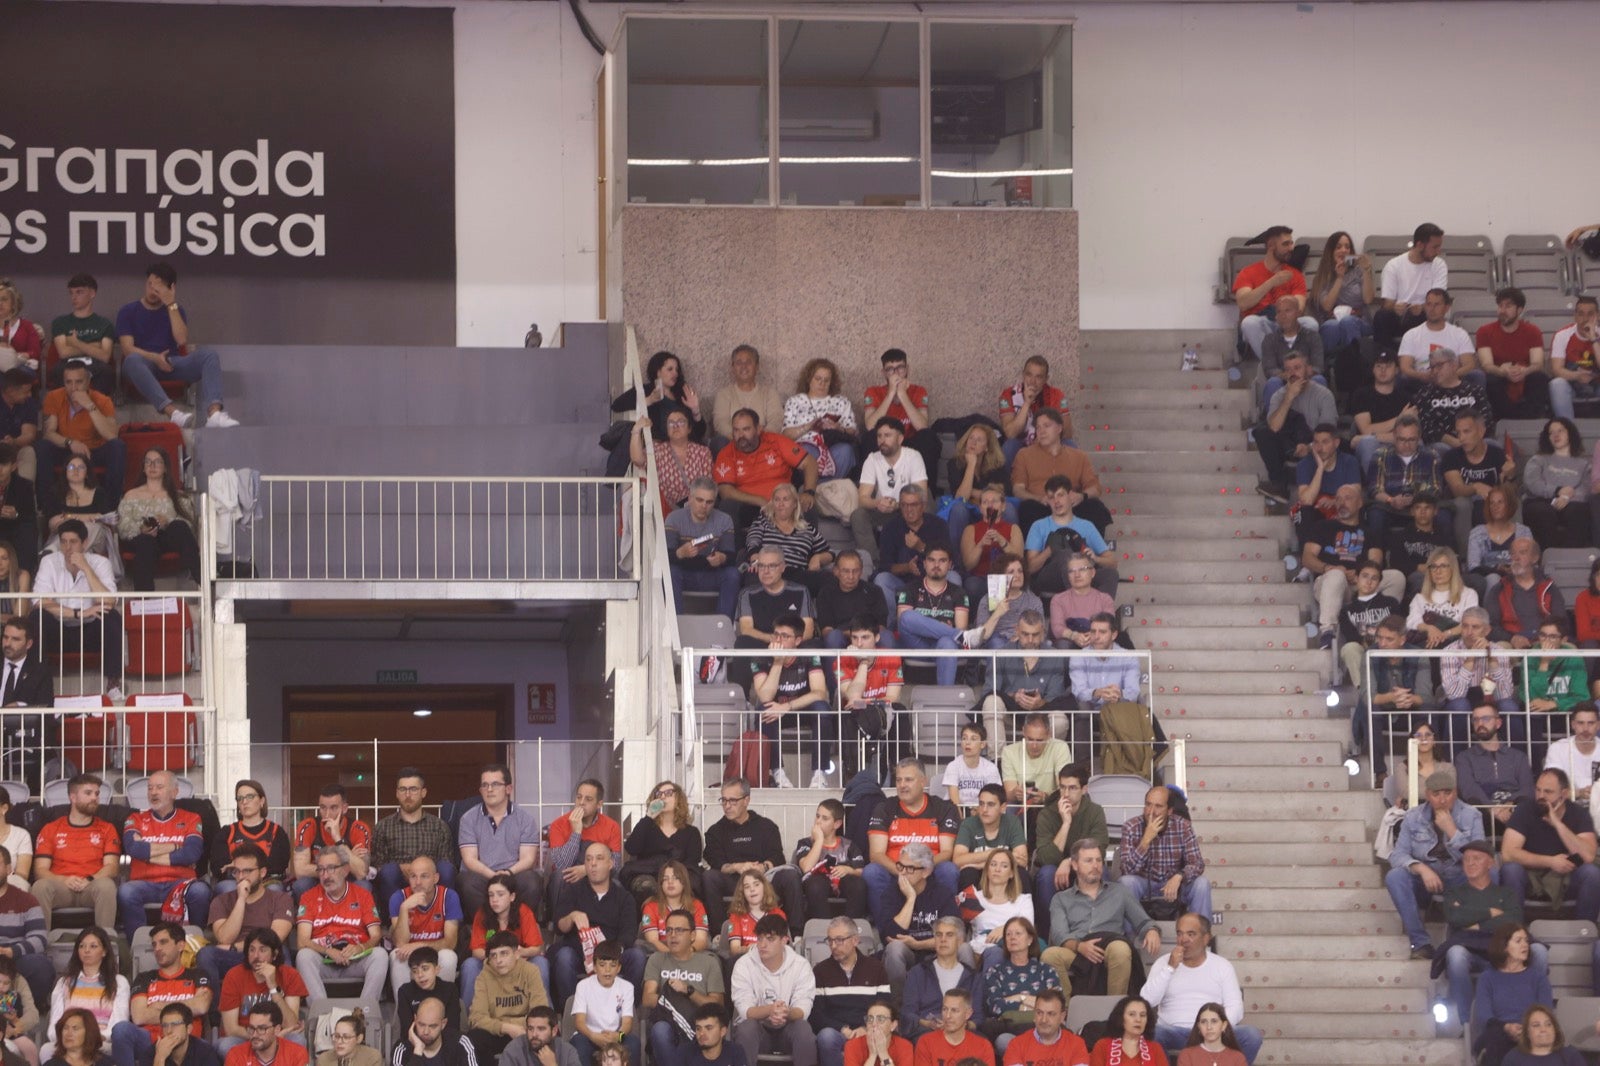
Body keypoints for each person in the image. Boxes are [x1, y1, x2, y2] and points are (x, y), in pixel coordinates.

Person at [115, 263, 236, 429]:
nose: (152, 290)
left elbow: (181, 340)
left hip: (171, 363)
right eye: (150, 284)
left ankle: (214, 413)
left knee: (209, 355)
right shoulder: (128, 311)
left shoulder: (176, 310)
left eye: (159, 287)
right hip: (143, 363)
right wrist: (155, 358)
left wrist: (171, 304)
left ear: (171, 288)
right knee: (132, 360)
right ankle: (173, 413)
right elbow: (127, 349)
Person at [1385, 768, 1485, 960]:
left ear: (1455, 793)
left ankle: (1467, 938)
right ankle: (1420, 943)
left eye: (1447, 793)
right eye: (1436, 794)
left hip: (1458, 876)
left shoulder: (1471, 815)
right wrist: (1421, 868)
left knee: (1491, 874)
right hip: (1427, 877)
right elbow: (1397, 855)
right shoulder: (1414, 817)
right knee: (1395, 876)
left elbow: (1480, 859)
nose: (1442, 799)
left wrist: (1453, 831)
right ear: (1428, 795)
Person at [1438, 840, 1539, 1028]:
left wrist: (1474, 923)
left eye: (1476, 859)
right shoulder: (1454, 893)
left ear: (1490, 863)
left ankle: (1534, 1019)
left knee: (1539, 951)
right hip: (1472, 951)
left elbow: (1513, 920)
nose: (1470, 863)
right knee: (1455, 954)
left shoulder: (1506, 893)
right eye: (1466, 859)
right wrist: (1490, 912)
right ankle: (1467, 1023)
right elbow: (1454, 917)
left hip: (1504, 950)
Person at [1040, 840, 1159, 995]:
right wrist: (1080, 947)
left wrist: (1151, 930)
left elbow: (1143, 921)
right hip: (1077, 951)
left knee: (1121, 949)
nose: (1095, 865)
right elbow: (1059, 935)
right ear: (1075, 865)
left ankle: (1114, 1010)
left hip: (1109, 948)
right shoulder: (1061, 899)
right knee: (1049, 955)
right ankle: (1067, 1013)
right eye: (1088, 861)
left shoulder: (1119, 892)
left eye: (1098, 860)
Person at [1141, 915, 1261, 1064]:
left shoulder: (1222, 965)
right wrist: (1170, 968)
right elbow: (1145, 1001)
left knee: (1251, 1035)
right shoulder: (1163, 963)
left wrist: (1215, 1027)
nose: (1183, 939)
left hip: (1212, 1029)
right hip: (1174, 1031)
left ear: (1206, 938)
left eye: (1191, 934)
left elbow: (1235, 1006)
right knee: (1152, 1034)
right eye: (1180, 933)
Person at [865, 760, 960, 933]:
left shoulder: (943, 808)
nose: (902, 785)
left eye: (908, 780)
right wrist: (904, 871)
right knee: (872, 871)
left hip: (929, 872)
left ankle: (946, 931)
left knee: (949, 869)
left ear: (923, 782)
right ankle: (887, 933)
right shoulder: (884, 808)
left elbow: (947, 852)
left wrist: (919, 870)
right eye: (899, 780)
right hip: (895, 871)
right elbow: (876, 854)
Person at [703, 778, 804, 937]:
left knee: (790, 876)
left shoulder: (766, 826)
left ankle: (797, 935)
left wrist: (762, 867)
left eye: (733, 801)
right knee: (709, 877)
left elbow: (777, 857)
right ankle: (719, 934)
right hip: (734, 880)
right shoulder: (715, 831)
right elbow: (716, 862)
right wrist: (737, 867)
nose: (727, 806)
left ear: (746, 800)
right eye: (724, 800)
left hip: (763, 879)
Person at [117, 771, 210, 939]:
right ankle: (139, 946)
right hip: (143, 883)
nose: (153, 792)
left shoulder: (191, 818)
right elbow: (133, 849)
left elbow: (191, 854)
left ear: (174, 792)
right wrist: (175, 846)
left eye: (159, 787)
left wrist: (148, 854)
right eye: (150, 788)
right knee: (125, 892)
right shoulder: (135, 819)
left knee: (201, 891)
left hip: (181, 883)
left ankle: (194, 944)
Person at [31, 520, 122, 694]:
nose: (67, 547)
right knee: (37, 618)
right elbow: (40, 601)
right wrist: (78, 613)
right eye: (63, 541)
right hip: (59, 630)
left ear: (85, 543)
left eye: (73, 542)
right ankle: (37, 686)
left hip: (89, 632)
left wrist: (86, 568)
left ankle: (113, 684)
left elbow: (109, 601)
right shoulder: (49, 561)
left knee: (111, 616)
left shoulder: (100, 562)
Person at [552, 841, 646, 1008]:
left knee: (637, 957)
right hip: (579, 951)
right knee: (564, 957)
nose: (593, 864)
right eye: (588, 859)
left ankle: (628, 1012)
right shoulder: (573, 891)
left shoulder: (624, 897)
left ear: (610, 864)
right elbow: (560, 927)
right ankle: (572, 1013)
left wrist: (607, 956)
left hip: (613, 951)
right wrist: (572, 916)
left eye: (599, 859)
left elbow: (628, 934)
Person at [1301, 483, 1395, 648]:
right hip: (1330, 583)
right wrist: (1328, 568)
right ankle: (1327, 631)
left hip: (1362, 582)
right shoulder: (1323, 527)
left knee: (1397, 577)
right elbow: (1307, 558)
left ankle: (1387, 626)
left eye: (1347, 498)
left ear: (1360, 503)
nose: (1341, 503)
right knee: (1336, 576)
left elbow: (1376, 560)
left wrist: (1359, 574)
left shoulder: (1370, 532)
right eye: (1337, 499)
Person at [1499, 768, 1600, 922]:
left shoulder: (1578, 814)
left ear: (1564, 794)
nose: (1541, 796)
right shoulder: (1525, 810)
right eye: (1538, 790)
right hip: (1531, 878)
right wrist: (1551, 861)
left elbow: (1588, 855)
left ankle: (1585, 932)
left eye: (1548, 792)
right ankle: (1513, 934)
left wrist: (1558, 824)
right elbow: (1508, 853)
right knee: (1510, 869)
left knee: (1591, 873)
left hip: (1567, 879)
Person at [292, 846, 388, 1004]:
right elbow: (302, 942)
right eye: (321, 870)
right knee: (303, 956)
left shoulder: (362, 895)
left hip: (356, 960)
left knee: (380, 955)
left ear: (345, 870)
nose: (325, 876)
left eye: (331, 869)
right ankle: (321, 1015)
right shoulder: (308, 897)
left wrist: (360, 948)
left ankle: (364, 1013)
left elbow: (376, 935)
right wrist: (328, 951)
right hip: (324, 961)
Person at [110, 922, 213, 1066]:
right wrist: (185, 1010)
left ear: (180, 945)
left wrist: (159, 1007)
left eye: (163, 942)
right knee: (121, 1030)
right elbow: (139, 1016)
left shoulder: (197, 975)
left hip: (186, 1041)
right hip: (148, 1042)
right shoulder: (144, 978)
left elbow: (201, 1006)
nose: (157, 948)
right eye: (154, 944)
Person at [750, 617, 831, 789]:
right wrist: (778, 663)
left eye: (785, 636)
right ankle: (777, 773)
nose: (778, 640)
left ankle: (819, 773)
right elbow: (765, 696)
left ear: (798, 640)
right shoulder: (761, 657)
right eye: (776, 635)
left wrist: (787, 706)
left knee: (822, 709)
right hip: (775, 712)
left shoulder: (809, 656)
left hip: (800, 709)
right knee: (763, 710)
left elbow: (819, 692)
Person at [454, 763, 541, 921]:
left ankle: (519, 928)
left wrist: (507, 874)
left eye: (495, 784)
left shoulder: (525, 819)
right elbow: (469, 859)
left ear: (509, 789)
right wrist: (493, 876)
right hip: (482, 875)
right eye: (485, 785)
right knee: (466, 882)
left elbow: (528, 859)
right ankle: (488, 931)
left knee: (531, 881)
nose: (489, 789)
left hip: (513, 874)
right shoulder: (468, 819)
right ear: (480, 790)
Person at [35, 363, 123, 520]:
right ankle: (48, 508)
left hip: (93, 451)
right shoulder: (54, 397)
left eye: (79, 382)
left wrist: (89, 405)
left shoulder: (103, 401)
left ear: (88, 382)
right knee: (43, 447)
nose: (73, 387)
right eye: (68, 382)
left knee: (117, 447)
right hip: (66, 450)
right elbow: (49, 433)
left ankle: (110, 508)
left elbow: (111, 435)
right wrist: (70, 443)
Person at [32, 774, 119, 931]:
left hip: (92, 886)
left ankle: (106, 943)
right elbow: (40, 870)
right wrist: (64, 880)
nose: (94, 798)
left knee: (107, 885)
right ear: (73, 797)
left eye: (97, 793)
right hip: (61, 887)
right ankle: (39, 944)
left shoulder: (107, 828)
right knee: (40, 886)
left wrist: (90, 879)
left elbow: (112, 867)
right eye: (88, 793)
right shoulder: (51, 828)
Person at [641, 908, 725, 1066]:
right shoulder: (656, 959)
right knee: (660, 1029)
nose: (672, 935)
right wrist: (677, 1002)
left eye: (679, 930)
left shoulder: (709, 962)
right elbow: (647, 998)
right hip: (668, 1025)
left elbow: (716, 1005)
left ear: (692, 935)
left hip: (700, 1025)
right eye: (669, 930)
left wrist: (688, 991)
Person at [372, 770, 457, 924]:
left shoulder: (439, 826)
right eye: (403, 789)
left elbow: (446, 862)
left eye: (413, 789)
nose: (408, 794)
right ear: (397, 793)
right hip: (397, 881)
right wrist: (401, 867)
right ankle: (395, 925)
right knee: (388, 871)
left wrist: (421, 871)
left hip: (430, 880)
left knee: (446, 869)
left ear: (423, 792)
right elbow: (378, 865)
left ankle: (445, 921)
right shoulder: (383, 827)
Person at [730, 915, 816, 1066]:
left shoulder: (801, 965)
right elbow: (745, 1011)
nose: (762, 944)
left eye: (770, 939)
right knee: (746, 1027)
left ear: (784, 940)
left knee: (803, 1028)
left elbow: (803, 1009)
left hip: (788, 1030)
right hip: (758, 1031)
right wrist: (771, 1010)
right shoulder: (743, 965)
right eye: (760, 938)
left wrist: (786, 1013)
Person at [1252, 351, 1337, 500]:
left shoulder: (1324, 395)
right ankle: (1279, 485)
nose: (1293, 373)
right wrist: (1289, 397)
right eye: (1288, 369)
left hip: (1315, 443)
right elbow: (1274, 427)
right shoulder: (1279, 395)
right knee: (1261, 431)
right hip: (1287, 445)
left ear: (1309, 370)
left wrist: (1309, 447)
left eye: (1297, 368)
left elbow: (1329, 433)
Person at [716, 409, 818, 532]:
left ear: (759, 429)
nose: (740, 435)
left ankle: (811, 549)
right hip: (751, 507)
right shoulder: (726, 453)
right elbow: (726, 492)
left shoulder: (775, 441)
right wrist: (760, 501)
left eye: (746, 429)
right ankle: (736, 551)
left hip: (783, 502)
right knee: (727, 506)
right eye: (736, 430)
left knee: (808, 505)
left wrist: (809, 492)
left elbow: (810, 463)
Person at [1031, 765, 1109, 928]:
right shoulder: (1047, 814)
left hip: (1082, 865)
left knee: (1102, 870)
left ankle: (1101, 928)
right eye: (1063, 787)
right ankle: (1048, 934)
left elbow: (1099, 848)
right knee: (1046, 874)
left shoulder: (1095, 811)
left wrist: (1069, 861)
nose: (1066, 794)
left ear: (1084, 789)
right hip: (1054, 870)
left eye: (1072, 788)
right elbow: (1046, 858)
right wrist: (1066, 823)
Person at [1009, 412, 1111, 535]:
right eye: (1038, 427)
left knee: (1095, 506)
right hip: (1042, 506)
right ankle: (1033, 553)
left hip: (1071, 507)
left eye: (1046, 425)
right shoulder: (1024, 455)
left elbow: (1095, 488)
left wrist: (1081, 496)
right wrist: (1039, 498)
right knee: (1027, 508)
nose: (1041, 431)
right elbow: (1018, 489)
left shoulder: (1079, 456)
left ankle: (1093, 552)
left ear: (1059, 428)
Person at [1118, 787, 1210, 922]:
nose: (1151, 812)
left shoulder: (1183, 826)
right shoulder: (1131, 827)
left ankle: (1199, 936)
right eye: (1148, 805)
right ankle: (1129, 938)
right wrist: (1145, 841)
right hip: (1145, 884)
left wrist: (1180, 876)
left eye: (1158, 806)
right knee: (1126, 883)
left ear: (1169, 811)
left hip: (1175, 885)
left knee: (1202, 884)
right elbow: (1126, 870)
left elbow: (1197, 863)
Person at [980, 612, 1070, 750]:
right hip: (1010, 713)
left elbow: (1055, 697)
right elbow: (988, 692)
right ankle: (998, 761)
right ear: (1017, 631)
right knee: (991, 702)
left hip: (1042, 713)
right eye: (1025, 634)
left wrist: (1040, 703)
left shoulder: (1055, 655)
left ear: (1043, 633)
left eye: (1035, 635)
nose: (1030, 640)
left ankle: (1044, 763)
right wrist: (1014, 697)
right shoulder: (1000, 654)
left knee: (1060, 720)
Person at [213, 930, 306, 1057]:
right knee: (226, 1046)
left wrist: (273, 987)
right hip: (245, 1037)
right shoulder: (233, 976)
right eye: (252, 950)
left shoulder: (290, 975)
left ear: (275, 954)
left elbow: (290, 1024)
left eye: (262, 950)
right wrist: (265, 1036)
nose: (256, 956)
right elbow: (231, 1029)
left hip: (279, 1036)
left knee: (297, 1041)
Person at [117, 449, 200, 590]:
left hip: (167, 538)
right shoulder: (131, 495)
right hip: (141, 539)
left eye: (157, 462)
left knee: (179, 526)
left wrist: (167, 521)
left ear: (165, 468)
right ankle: (144, 600)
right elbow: (122, 526)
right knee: (145, 541)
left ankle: (202, 580)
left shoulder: (178, 496)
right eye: (148, 462)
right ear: (143, 467)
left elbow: (189, 525)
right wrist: (141, 528)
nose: (152, 465)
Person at [811, 918, 890, 1066]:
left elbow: (885, 1007)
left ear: (855, 940)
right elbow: (816, 1015)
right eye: (830, 940)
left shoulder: (876, 968)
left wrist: (866, 1027)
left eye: (839, 940)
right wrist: (842, 1029)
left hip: (869, 1030)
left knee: (884, 1035)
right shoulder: (821, 971)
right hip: (837, 1032)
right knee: (826, 1037)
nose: (833, 946)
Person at [1472, 924, 1554, 1066]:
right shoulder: (1487, 978)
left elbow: (1546, 1012)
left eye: (1526, 941)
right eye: (1518, 941)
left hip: (1531, 1032)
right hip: (1498, 1032)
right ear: (1504, 947)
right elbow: (1484, 1016)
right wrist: (1507, 1027)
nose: (1525, 945)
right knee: (1496, 1038)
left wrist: (1528, 1029)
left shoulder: (1538, 978)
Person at [835, 619, 907, 781]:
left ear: (876, 638)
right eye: (855, 638)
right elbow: (852, 698)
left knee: (900, 709)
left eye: (865, 637)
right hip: (855, 714)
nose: (859, 643)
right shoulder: (841, 660)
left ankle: (900, 768)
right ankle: (852, 772)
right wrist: (863, 663)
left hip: (880, 710)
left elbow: (893, 697)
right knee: (852, 713)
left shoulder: (891, 657)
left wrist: (865, 702)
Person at [1231, 226, 1315, 361]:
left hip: (1287, 324)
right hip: (1261, 324)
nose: (1291, 248)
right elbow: (1243, 303)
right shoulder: (1248, 272)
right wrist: (1271, 282)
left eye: (1291, 243)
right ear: (1271, 246)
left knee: (1310, 323)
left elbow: (1299, 308)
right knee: (1249, 323)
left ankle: (1282, 367)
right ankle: (1280, 366)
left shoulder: (1295, 275)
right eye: (1285, 244)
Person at [1023, 478, 1116, 599]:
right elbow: (1030, 568)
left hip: (1082, 574)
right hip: (1050, 576)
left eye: (1060, 495)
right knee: (1066, 555)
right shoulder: (1038, 526)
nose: (1056, 501)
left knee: (1110, 574)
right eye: (1051, 497)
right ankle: (1080, 607)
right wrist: (1049, 551)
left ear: (1070, 496)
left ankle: (1102, 616)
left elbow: (1113, 562)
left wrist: (1096, 558)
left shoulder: (1086, 526)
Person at [861, 349, 939, 494]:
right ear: (883, 373)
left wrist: (902, 394)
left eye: (900, 368)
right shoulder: (873, 391)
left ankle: (927, 494)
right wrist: (891, 393)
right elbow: (870, 425)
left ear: (907, 369)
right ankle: (871, 492)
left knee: (928, 437)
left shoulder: (919, 390)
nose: (896, 373)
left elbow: (922, 426)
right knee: (868, 438)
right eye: (890, 369)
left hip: (910, 442)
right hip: (885, 443)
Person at [879, 844, 957, 987]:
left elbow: (955, 937)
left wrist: (918, 944)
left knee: (963, 950)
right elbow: (891, 937)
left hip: (937, 953)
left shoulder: (942, 894)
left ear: (926, 872)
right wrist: (911, 899)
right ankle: (898, 1004)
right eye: (900, 866)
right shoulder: (890, 893)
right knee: (894, 948)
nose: (902, 873)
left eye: (910, 869)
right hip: (906, 953)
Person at [465, 931, 549, 1063]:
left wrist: (520, 1027)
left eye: (504, 953)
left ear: (516, 954)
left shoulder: (530, 971)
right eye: (493, 955)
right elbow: (476, 1018)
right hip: (497, 1032)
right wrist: (507, 1028)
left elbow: (540, 1012)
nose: (498, 960)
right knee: (473, 1039)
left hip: (526, 1029)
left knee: (548, 1033)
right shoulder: (484, 977)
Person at [43, 930, 128, 1058]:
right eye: (82, 946)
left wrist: (90, 1038)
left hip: (101, 1042)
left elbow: (119, 1021)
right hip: (69, 1040)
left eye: (93, 946)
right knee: (46, 1050)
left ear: (104, 951)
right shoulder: (64, 982)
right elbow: (55, 1022)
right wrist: (70, 1038)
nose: (86, 950)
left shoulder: (119, 982)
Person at [893, 544, 969, 687]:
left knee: (947, 642)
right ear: (924, 563)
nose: (936, 565)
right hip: (916, 644)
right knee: (907, 617)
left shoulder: (959, 592)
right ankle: (954, 634)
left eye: (942, 560)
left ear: (950, 565)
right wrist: (943, 629)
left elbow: (962, 626)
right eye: (931, 560)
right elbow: (903, 622)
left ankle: (944, 700)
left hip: (944, 645)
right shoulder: (910, 589)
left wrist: (929, 628)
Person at [667, 478, 743, 621]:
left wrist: (722, 558)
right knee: (671, 572)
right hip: (684, 574)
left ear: (715, 502)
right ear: (690, 498)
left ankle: (722, 626)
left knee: (733, 574)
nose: (704, 506)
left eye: (709, 502)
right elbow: (664, 556)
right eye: (699, 500)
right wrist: (680, 553)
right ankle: (675, 625)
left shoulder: (724, 520)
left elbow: (731, 556)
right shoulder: (674, 518)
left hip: (711, 574)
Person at [852, 419, 930, 556]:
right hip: (883, 511)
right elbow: (862, 499)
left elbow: (921, 496)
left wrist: (898, 505)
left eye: (887, 435)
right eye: (879, 436)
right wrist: (877, 503)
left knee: (924, 504)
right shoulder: (872, 459)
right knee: (858, 515)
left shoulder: (913, 456)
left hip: (907, 509)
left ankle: (923, 553)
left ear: (900, 439)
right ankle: (874, 562)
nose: (882, 440)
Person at [979, 918, 1058, 1052]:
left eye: (1018, 933)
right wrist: (1033, 1006)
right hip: (1008, 1028)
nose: (1012, 938)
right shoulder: (994, 972)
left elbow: (1055, 1005)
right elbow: (995, 1007)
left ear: (1030, 939)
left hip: (1041, 1027)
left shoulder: (1046, 970)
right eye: (1008, 934)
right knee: (1001, 1037)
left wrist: (1019, 997)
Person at [872, 487, 951, 619]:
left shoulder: (939, 525)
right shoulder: (890, 527)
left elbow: (948, 559)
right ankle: (891, 630)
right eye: (904, 505)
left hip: (934, 580)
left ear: (923, 505)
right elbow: (885, 566)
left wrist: (921, 547)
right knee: (881, 579)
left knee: (954, 577)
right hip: (903, 582)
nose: (909, 510)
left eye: (914, 505)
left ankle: (944, 624)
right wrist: (907, 567)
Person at [899, 919, 983, 1042]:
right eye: (939, 935)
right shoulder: (918, 972)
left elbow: (978, 1018)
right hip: (926, 1035)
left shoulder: (973, 977)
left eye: (949, 935)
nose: (943, 939)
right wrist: (928, 1024)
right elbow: (908, 1013)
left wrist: (960, 1025)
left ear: (960, 941)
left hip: (962, 1036)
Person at [547, 779, 623, 914]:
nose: (581, 802)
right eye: (579, 797)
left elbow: (615, 864)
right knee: (559, 877)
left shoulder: (612, 826)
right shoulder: (558, 824)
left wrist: (587, 869)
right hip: (568, 873)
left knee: (616, 884)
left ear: (599, 804)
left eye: (588, 799)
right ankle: (559, 927)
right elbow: (561, 864)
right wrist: (576, 832)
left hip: (598, 873)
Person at [388, 856, 463, 994]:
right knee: (396, 955)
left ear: (436, 878)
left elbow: (450, 942)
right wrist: (404, 909)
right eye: (413, 876)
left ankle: (441, 1007)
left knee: (449, 956)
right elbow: (400, 943)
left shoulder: (449, 896)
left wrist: (420, 945)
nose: (418, 882)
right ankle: (404, 1011)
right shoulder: (399, 898)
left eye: (424, 876)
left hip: (435, 952)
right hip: (409, 954)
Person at [1365, 412, 1442, 542]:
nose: (1406, 444)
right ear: (1394, 436)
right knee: (1375, 514)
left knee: (1443, 515)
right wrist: (1391, 500)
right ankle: (1376, 557)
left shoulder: (1432, 456)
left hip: (1421, 506)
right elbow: (1374, 489)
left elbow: (1435, 489)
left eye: (1411, 440)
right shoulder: (1380, 455)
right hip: (1389, 506)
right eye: (1402, 439)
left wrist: (1415, 499)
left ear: (1419, 438)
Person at [1307, 232, 1374, 381]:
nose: (1344, 250)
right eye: (1338, 247)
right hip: (1332, 322)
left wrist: (1367, 271)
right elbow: (1327, 305)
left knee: (1347, 322)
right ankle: (1327, 369)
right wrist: (1339, 278)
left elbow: (1368, 299)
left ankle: (1356, 367)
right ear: (1331, 251)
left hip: (1359, 320)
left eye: (1347, 247)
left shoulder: (1358, 271)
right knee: (1331, 326)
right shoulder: (1323, 275)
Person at [621, 781, 703, 903]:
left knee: (691, 883)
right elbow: (631, 848)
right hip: (648, 874)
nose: (663, 797)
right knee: (645, 885)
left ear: (678, 799)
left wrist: (671, 876)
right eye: (659, 794)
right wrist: (649, 817)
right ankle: (649, 921)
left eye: (668, 793)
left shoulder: (691, 832)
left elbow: (692, 861)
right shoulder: (646, 826)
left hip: (679, 875)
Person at [1477, 288, 1552, 420]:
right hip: (1499, 376)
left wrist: (1524, 371)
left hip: (1524, 376)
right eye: (1500, 306)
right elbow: (1487, 364)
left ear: (1519, 309)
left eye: (1508, 306)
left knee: (1539, 378)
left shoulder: (1532, 331)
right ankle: (1506, 421)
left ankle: (1529, 421)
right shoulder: (1484, 331)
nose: (1502, 311)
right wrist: (1502, 371)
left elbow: (1537, 363)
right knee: (1490, 380)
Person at [1376, 223, 1447, 359]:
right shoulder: (1394, 266)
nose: (1438, 251)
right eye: (1435, 247)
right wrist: (1395, 307)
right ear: (1420, 245)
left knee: (1431, 313)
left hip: (1424, 315)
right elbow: (1387, 303)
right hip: (1399, 317)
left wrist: (1423, 307)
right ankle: (1387, 361)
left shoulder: (1439, 265)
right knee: (1382, 316)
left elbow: (1439, 300)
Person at [0, 617, 54, 793]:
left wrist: (20, 706)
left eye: (15, 639)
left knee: (46, 746)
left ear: (29, 644)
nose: (8, 643)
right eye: (6, 637)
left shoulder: (40, 671)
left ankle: (33, 800)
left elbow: (46, 706)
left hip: (25, 735)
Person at [744, 484, 832, 592]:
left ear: (795, 504)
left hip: (796, 574)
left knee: (828, 579)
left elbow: (830, 553)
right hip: (769, 569)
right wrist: (757, 560)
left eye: (785, 499)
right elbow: (752, 543)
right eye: (777, 500)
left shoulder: (807, 529)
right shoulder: (763, 522)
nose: (781, 504)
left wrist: (818, 558)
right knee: (753, 576)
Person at [289, 785, 373, 897]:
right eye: (323, 808)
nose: (327, 814)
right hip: (319, 879)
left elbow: (361, 873)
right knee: (301, 885)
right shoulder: (308, 826)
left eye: (333, 808)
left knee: (364, 886)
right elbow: (300, 871)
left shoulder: (359, 829)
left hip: (348, 880)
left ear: (344, 808)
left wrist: (338, 839)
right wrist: (344, 863)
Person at [794, 802, 868, 923]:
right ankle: (823, 930)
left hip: (843, 882)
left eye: (825, 818)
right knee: (816, 884)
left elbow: (861, 871)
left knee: (858, 885)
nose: (818, 821)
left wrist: (849, 870)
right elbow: (806, 867)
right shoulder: (805, 843)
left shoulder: (849, 845)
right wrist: (819, 841)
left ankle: (850, 930)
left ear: (837, 824)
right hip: (817, 886)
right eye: (817, 816)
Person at [1522, 419, 1591, 549]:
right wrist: (1557, 491)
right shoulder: (1538, 459)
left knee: (1579, 511)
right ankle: (1550, 556)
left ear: (1570, 433)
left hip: (1571, 502)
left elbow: (1586, 488)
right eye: (1551, 433)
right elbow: (1532, 483)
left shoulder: (1583, 464)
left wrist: (1567, 497)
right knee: (1542, 512)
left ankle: (1572, 557)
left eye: (1560, 430)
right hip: (1540, 501)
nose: (1556, 435)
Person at [611, 350, 706, 446]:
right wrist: (649, 400)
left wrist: (695, 410)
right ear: (658, 372)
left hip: (687, 447)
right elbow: (617, 405)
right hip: (660, 447)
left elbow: (700, 433)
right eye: (670, 369)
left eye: (676, 370)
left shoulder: (682, 394)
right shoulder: (646, 390)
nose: (675, 374)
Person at [1336, 561, 1402, 695]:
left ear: (1379, 583)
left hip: (1389, 650)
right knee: (1349, 648)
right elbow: (1351, 636)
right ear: (1356, 578)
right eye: (1365, 576)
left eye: (1374, 578)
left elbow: (1399, 629)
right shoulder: (1347, 610)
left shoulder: (1391, 603)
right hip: (1364, 651)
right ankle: (1367, 694)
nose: (1369, 581)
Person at [784, 358, 857, 479]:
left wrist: (838, 428)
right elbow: (786, 435)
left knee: (846, 450)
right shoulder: (795, 401)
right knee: (806, 451)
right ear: (809, 379)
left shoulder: (841, 402)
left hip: (833, 444)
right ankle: (815, 488)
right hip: (807, 445)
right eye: (818, 379)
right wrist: (809, 426)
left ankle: (824, 488)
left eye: (826, 380)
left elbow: (853, 431)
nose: (822, 384)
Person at [632, 407, 714, 514]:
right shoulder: (657, 450)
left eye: (681, 422)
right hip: (666, 512)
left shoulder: (702, 452)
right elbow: (637, 459)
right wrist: (636, 430)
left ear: (689, 428)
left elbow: (707, 485)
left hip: (697, 511)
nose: (675, 426)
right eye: (671, 423)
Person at [211, 783, 290, 894]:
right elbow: (218, 867)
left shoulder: (277, 832)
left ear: (262, 801)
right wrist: (257, 866)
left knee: (274, 889)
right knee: (227, 888)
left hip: (267, 881)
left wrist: (239, 866)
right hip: (234, 882)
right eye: (240, 798)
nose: (244, 802)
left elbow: (278, 866)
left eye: (250, 797)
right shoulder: (227, 832)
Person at [569, 941, 638, 1066]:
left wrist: (618, 1037)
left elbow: (627, 1023)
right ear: (594, 967)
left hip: (616, 1036)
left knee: (633, 1042)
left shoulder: (627, 987)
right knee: (579, 1042)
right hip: (590, 1036)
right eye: (602, 965)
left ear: (619, 968)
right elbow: (579, 1022)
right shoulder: (583, 986)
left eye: (612, 965)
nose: (607, 970)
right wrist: (593, 1036)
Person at [43, 453, 116, 570]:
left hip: (94, 539)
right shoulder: (55, 492)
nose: (75, 470)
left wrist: (68, 517)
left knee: (91, 527)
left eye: (81, 467)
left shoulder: (99, 493)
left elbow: (107, 520)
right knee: (74, 537)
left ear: (87, 473)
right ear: (65, 471)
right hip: (65, 537)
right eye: (71, 467)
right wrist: (87, 516)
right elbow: (52, 523)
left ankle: (53, 551)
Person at [1399, 288, 1481, 391]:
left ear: (1447, 308)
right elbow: (1405, 368)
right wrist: (1421, 375)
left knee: (1477, 375)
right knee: (1403, 379)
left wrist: (1448, 375)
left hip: (1453, 380)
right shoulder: (1411, 334)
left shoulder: (1459, 334)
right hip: (1423, 381)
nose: (1432, 309)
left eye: (1437, 305)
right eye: (1429, 304)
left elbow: (1469, 364)